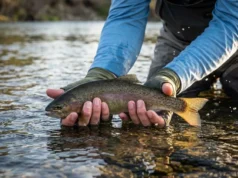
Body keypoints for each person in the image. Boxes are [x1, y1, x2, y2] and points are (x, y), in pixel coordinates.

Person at [46, 0, 238, 128]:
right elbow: (126, 17)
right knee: (152, 120)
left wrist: (177, 75)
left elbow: (231, 22)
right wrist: (103, 73)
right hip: (177, 37)